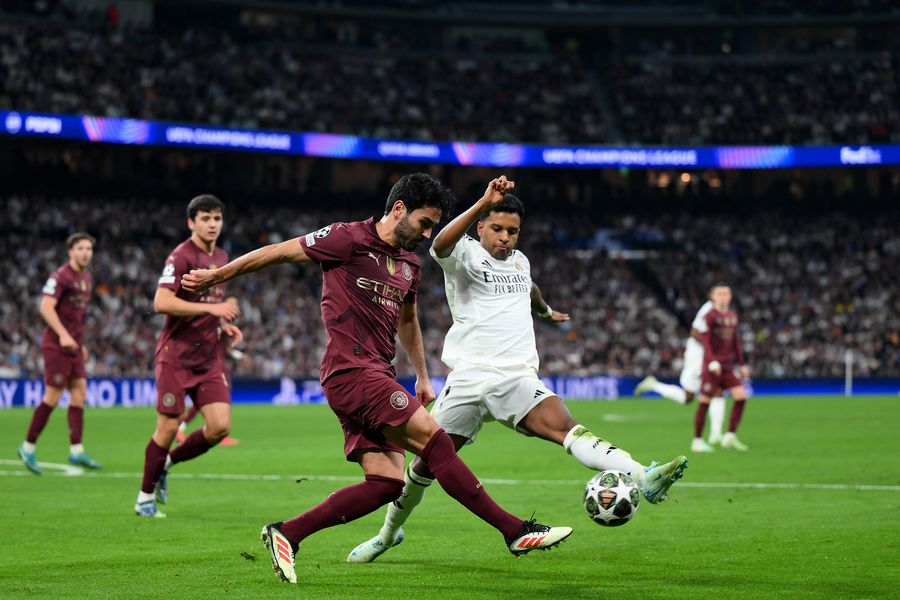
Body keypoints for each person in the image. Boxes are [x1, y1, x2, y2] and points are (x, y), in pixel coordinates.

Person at [181, 173, 573, 585]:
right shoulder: (346, 238)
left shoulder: (410, 264)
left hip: (378, 372)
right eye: (424, 223)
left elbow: (408, 320)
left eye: (433, 226)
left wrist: (422, 374)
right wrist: (216, 276)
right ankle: (513, 531)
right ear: (399, 209)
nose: (427, 234)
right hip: (351, 371)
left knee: (385, 483)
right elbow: (277, 252)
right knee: (437, 443)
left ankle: (288, 533)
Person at [347, 180, 688, 564]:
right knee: (425, 466)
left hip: (515, 377)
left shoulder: (520, 262)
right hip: (468, 377)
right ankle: (388, 534)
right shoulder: (463, 254)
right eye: (497, 228)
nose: (505, 237)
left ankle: (643, 475)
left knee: (566, 427)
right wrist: (483, 202)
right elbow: (439, 243)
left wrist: (546, 311)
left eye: (513, 231)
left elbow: (530, 288)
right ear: (480, 226)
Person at [134, 194, 243, 518]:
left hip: (208, 357)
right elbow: (161, 302)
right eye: (205, 218)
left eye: (217, 218)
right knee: (168, 427)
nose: (212, 224)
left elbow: (210, 304)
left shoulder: (222, 256)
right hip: (176, 356)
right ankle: (144, 499)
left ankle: (166, 463)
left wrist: (223, 324)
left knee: (220, 427)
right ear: (191, 223)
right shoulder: (181, 256)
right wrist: (213, 309)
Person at [17, 233, 102, 474]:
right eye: (80, 248)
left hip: (74, 346)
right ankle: (27, 447)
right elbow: (46, 307)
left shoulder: (87, 277)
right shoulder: (61, 276)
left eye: (89, 248)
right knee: (52, 396)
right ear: (70, 252)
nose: (85, 253)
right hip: (56, 346)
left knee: (79, 393)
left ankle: (76, 451)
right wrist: (63, 335)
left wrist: (79, 343)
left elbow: (77, 317)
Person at [634, 293, 727, 452]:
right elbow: (695, 332)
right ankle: (714, 435)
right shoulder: (708, 310)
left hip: (705, 355)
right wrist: (711, 345)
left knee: (690, 397)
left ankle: (654, 385)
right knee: (714, 390)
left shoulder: (719, 311)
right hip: (698, 355)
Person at [694, 284, 750, 451]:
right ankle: (697, 441)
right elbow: (705, 342)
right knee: (705, 401)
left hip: (727, 366)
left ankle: (730, 436)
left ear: (730, 296)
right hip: (712, 367)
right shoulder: (708, 316)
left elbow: (735, 342)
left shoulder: (732, 315)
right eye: (719, 294)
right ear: (712, 296)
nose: (723, 297)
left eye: (726, 293)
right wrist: (711, 361)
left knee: (741, 397)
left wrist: (742, 364)